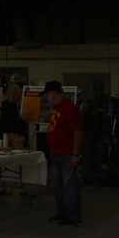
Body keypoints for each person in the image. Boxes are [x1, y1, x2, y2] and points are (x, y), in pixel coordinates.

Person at [44, 80, 83, 227]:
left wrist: (75, 153)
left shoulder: (69, 108)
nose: (47, 97)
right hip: (57, 154)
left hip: (67, 154)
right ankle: (62, 212)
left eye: (48, 94)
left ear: (53, 94)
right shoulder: (57, 108)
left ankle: (72, 216)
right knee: (58, 186)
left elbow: (77, 131)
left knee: (69, 187)